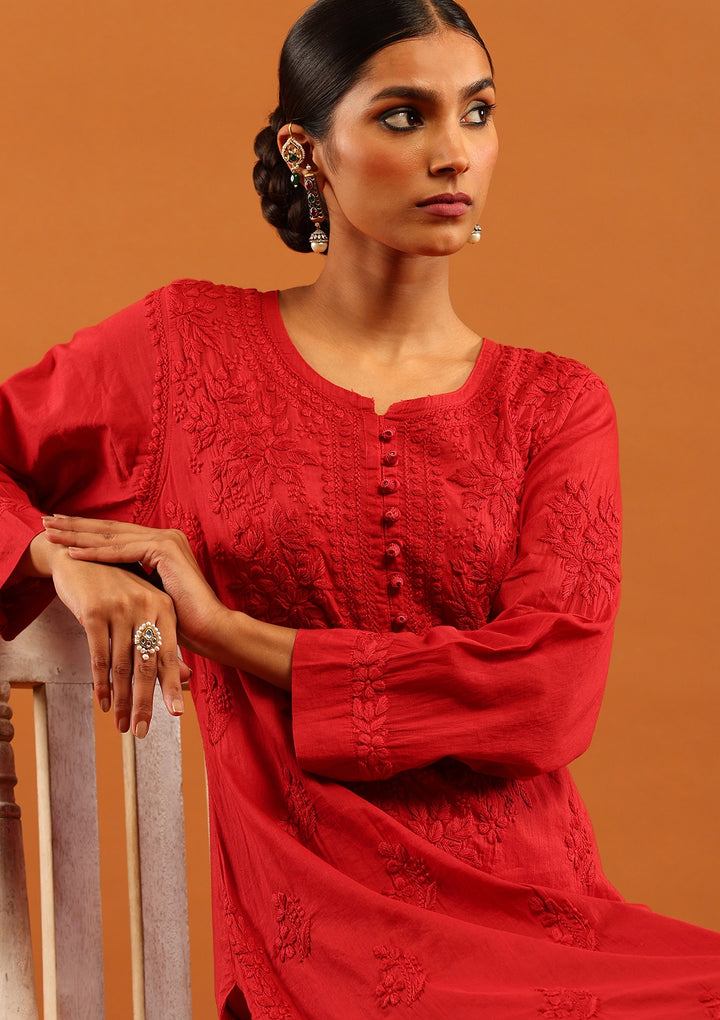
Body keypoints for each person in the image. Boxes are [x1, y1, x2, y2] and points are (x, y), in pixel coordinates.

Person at [1, 0, 719, 1015]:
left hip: (538, 923)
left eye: (477, 113)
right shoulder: (182, 353)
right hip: (317, 949)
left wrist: (228, 632)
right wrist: (57, 561)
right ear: (309, 152)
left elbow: (550, 687)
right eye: (404, 116)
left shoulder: (555, 404)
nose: (453, 153)